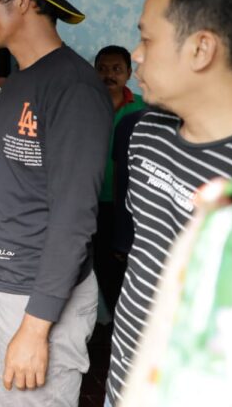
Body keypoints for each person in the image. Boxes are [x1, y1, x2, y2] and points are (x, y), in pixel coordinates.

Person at [0, 0, 113, 407]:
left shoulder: (75, 89)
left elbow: (75, 220)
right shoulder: (17, 82)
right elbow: (4, 189)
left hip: (36, 299)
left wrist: (35, 326)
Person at [105, 0, 232, 406]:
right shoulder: (145, 133)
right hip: (124, 380)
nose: (136, 54)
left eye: (146, 39)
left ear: (201, 48)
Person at [93, 46, 146, 314]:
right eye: (102, 69)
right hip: (91, 203)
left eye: (116, 70)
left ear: (128, 73)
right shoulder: (83, 106)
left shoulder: (143, 108)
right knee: (101, 267)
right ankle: (113, 323)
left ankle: (128, 325)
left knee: (130, 269)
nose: (109, 75)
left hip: (130, 204)